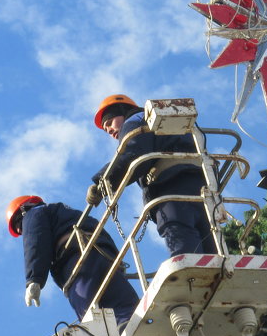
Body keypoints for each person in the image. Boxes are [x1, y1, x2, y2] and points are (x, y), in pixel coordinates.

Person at [88, 93, 216, 257]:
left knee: (177, 227)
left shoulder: (135, 122)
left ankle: (190, 271)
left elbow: (132, 155)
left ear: (122, 111)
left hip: (172, 183)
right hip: (202, 181)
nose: (109, 130)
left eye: (109, 122)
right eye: (106, 130)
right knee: (209, 233)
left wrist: (103, 182)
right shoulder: (164, 123)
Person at [6, 194, 139, 332]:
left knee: (90, 314)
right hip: (104, 255)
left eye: (19, 225)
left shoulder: (34, 213)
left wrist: (34, 279)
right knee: (125, 307)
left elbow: (36, 241)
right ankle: (131, 326)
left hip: (79, 260)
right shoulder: (67, 214)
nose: (22, 231)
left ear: (23, 211)